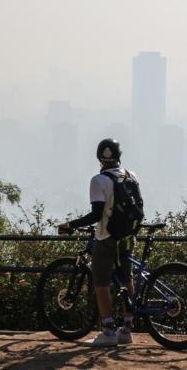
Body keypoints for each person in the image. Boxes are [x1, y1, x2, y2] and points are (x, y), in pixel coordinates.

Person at [58, 138, 138, 347]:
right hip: (128, 237)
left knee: (100, 283)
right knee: (126, 279)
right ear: (119, 155)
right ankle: (127, 330)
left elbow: (96, 214)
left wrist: (71, 224)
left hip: (107, 238)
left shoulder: (98, 180)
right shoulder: (131, 175)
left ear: (99, 157)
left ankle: (109, 331)